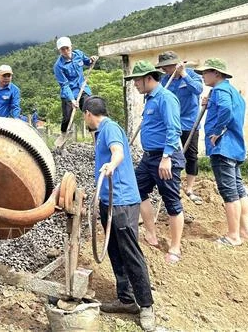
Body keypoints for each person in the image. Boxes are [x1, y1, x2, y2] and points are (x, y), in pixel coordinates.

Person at [83, 96, 155, 331]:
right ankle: (126, 299)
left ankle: (146, 305)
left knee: (130, 252)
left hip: (122, 201)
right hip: (108, 201)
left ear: (88, 114)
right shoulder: (101, 132)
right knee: (114, 250)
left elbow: (118, 151)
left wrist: (112, 165)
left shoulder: (110, 128)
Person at [124, 61, 186, 264]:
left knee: (171, 202)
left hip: (165, 157)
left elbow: (173, 129)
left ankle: (175, 248)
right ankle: (151, 234)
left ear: (148, 78)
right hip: (149, 157)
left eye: (136, 80)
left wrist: (167, 158)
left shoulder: (166, 98)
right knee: (137, 190)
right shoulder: (150, 99)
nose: (134, 84)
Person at [194, 58, 248, 246]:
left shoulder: (220, 90)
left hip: (223, 148)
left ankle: (233, 236)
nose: (202, 76)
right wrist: (209, 103)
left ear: (216, 74)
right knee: (238, 189)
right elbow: (229, 109)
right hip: (235, 146)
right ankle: (245, 232)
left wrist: (217, 131)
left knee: (229, 192)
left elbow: (225, 109)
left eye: (205, 73)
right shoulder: (233, 92)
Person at [155, 51, 204, 204]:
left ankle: (189, 188)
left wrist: (184, 75)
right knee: (171, 155)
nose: (165, 71)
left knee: (191, 156)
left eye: (167, 67)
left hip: (190, 123)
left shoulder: (191, 75)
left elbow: (198, 89)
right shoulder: (164, 81)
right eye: (163, 68)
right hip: (171, 124)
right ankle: (173, 185)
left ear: (175, 65)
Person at [53, 36, 98, 138]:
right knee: (67, 118)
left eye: (67, 48)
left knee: (90, 112)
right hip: (69, 93)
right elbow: (64, 85)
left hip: (83, 89)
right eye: (62, 49)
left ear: (71, 47)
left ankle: (96, 138)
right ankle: (63, 136)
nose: (65, 51)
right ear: (59, 50)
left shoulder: (79, 54)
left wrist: (91, 59)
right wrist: (72, 100)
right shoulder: (58, 66)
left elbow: (87, 61)